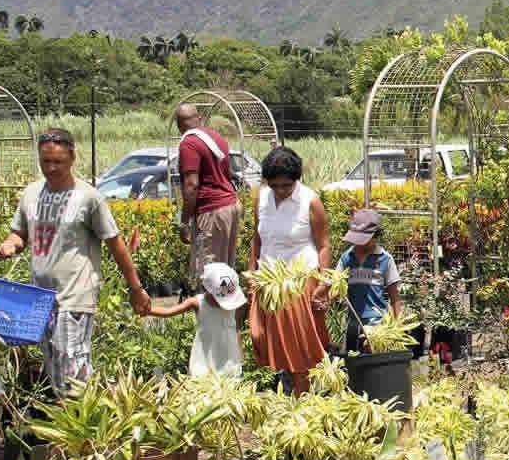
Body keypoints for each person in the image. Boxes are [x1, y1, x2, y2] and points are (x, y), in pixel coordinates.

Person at [0, 128, 152, 394]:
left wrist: (136, 289)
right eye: (46, 161)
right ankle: (75, 426)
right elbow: (20, 233)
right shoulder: (31, 194)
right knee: (54, 366)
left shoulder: (88, 198)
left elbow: (116, 244)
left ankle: (89, 423)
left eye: (59, 161)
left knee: (73, 368)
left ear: (72, 158)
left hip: (75, 296)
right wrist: (11, 243)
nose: (52, 167)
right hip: (40, 299)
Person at [248, 147, 331, 395]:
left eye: (287, 185)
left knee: (300, 351)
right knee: (263, 340)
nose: (281, 191)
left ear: (296, 179)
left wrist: (324, 283)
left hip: (299, 282)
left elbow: (324, 245)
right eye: (275, 186)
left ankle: (304, 404)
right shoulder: (261, 199)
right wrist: (251, 276)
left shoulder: (310, 201)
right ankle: (292, 396)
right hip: (269, 283)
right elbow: (257, 240)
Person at [175, 104, 242, 283]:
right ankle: (228, 309)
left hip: (212, 210)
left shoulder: (189, 143)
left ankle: (210, 311)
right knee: (226, 270)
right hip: (230, 206)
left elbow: (191, 185)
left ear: (179, 126)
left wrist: (184, 222)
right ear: (199, 119)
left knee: (208, 274)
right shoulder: (215, 137)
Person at [148, 262, 245, 377]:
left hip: (229, 356)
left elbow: (236, 327)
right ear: (208, 289)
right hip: (204, 357)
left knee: (230, 385)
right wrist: (147, 310)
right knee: (202, 384)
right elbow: (169, 312)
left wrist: (240, 353)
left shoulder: (234, 304)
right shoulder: (198, 303)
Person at [336, 209, 403, 354]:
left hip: (377, 322)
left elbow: (394, 296)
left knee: (374, 358)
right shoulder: (346, 258)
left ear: (376, 236)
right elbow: (334, 287)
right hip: (353, 321)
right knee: (352, 360)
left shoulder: (385, 259)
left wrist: (398, 327)